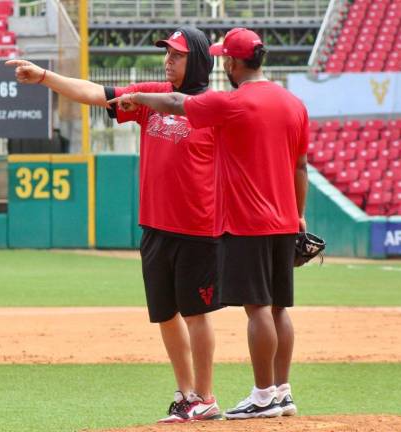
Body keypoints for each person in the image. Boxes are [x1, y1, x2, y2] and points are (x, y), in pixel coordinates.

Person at [6, 26, 223, 423]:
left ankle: (206, 397)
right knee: (165, 313)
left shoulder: (215, 107)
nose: (168, 60)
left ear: (198, 59)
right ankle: (185, 393)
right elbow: (97, 94)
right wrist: (45, 77)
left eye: (177, 54)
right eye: (167, 54)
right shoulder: (150, 97)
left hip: (198, 228)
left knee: (196, 313)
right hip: (155, 227)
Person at [109, 27, 308, 420]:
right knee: (281, 308)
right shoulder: (294, 103)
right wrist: (299, 215)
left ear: (232, 62)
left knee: (258, 309)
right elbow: (300, 165)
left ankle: (264, 394)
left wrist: (136, 97)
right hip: (287, 219)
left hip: (250, 219)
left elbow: (177, 104)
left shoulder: (234, 101)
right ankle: (283, 391)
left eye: (226, 58)